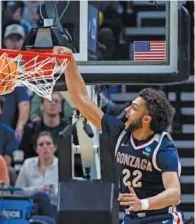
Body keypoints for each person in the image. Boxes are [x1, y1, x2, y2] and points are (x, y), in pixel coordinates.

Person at [52, 46, 183, 224]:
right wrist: (69, 63)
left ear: (146, 120)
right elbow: (82, 100)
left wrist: (143, 204)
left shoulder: (163, 148)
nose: (127, 110)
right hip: (133, 218)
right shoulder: (120, 133)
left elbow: (174, 193)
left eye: (134, 108)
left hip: (162, 218)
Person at [16, 131, 58, 219]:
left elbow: (66, 195)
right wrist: (35, 190)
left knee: (43, 197)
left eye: (48, 143)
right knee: (40, 196)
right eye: (41, 145)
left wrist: (52, 191)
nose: (45, 147)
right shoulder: (28, 164)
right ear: (36, 149)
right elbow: (17, 191)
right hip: (31, 206)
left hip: (54, 207)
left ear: (55, 147)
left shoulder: (62, 165)